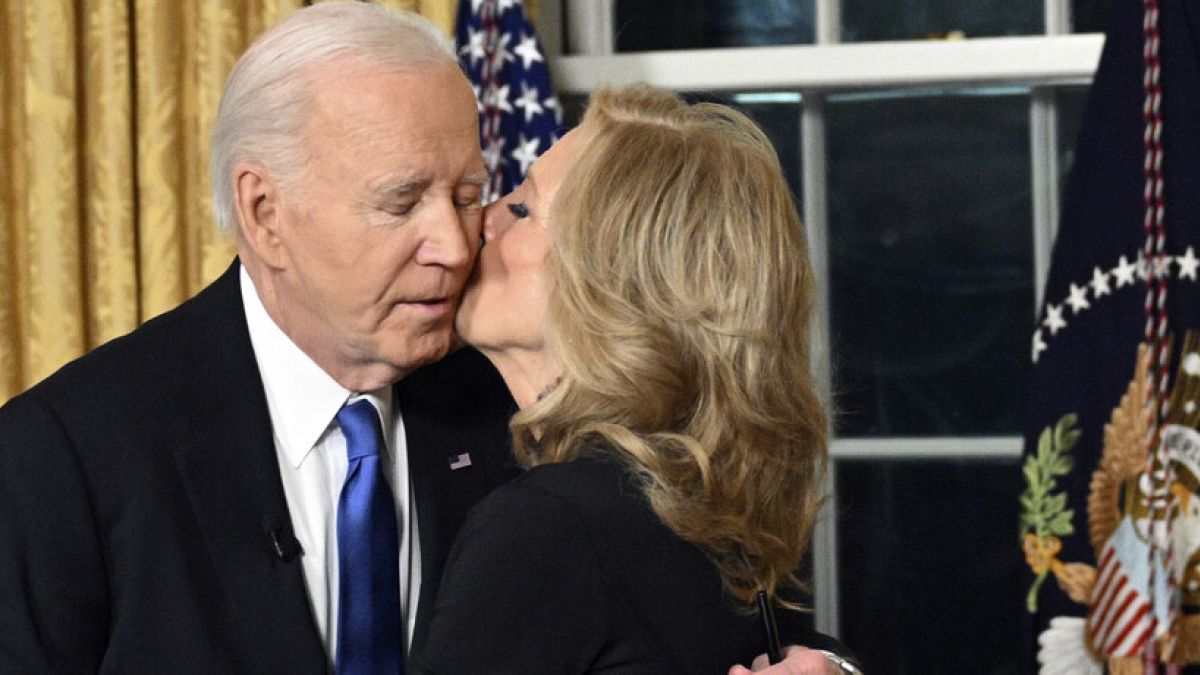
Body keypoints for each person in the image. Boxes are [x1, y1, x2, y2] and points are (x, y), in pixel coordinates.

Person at [0, 4, 518, 672]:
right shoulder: (63, 456)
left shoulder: (516, 409)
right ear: (265, 212)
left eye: (468, 195)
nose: (452, 245)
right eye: (402, 201)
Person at [415, 86, 858, 674]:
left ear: (610, 285)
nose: (481, 221)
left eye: (523, 208)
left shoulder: (547, 526)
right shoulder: (705, 502)